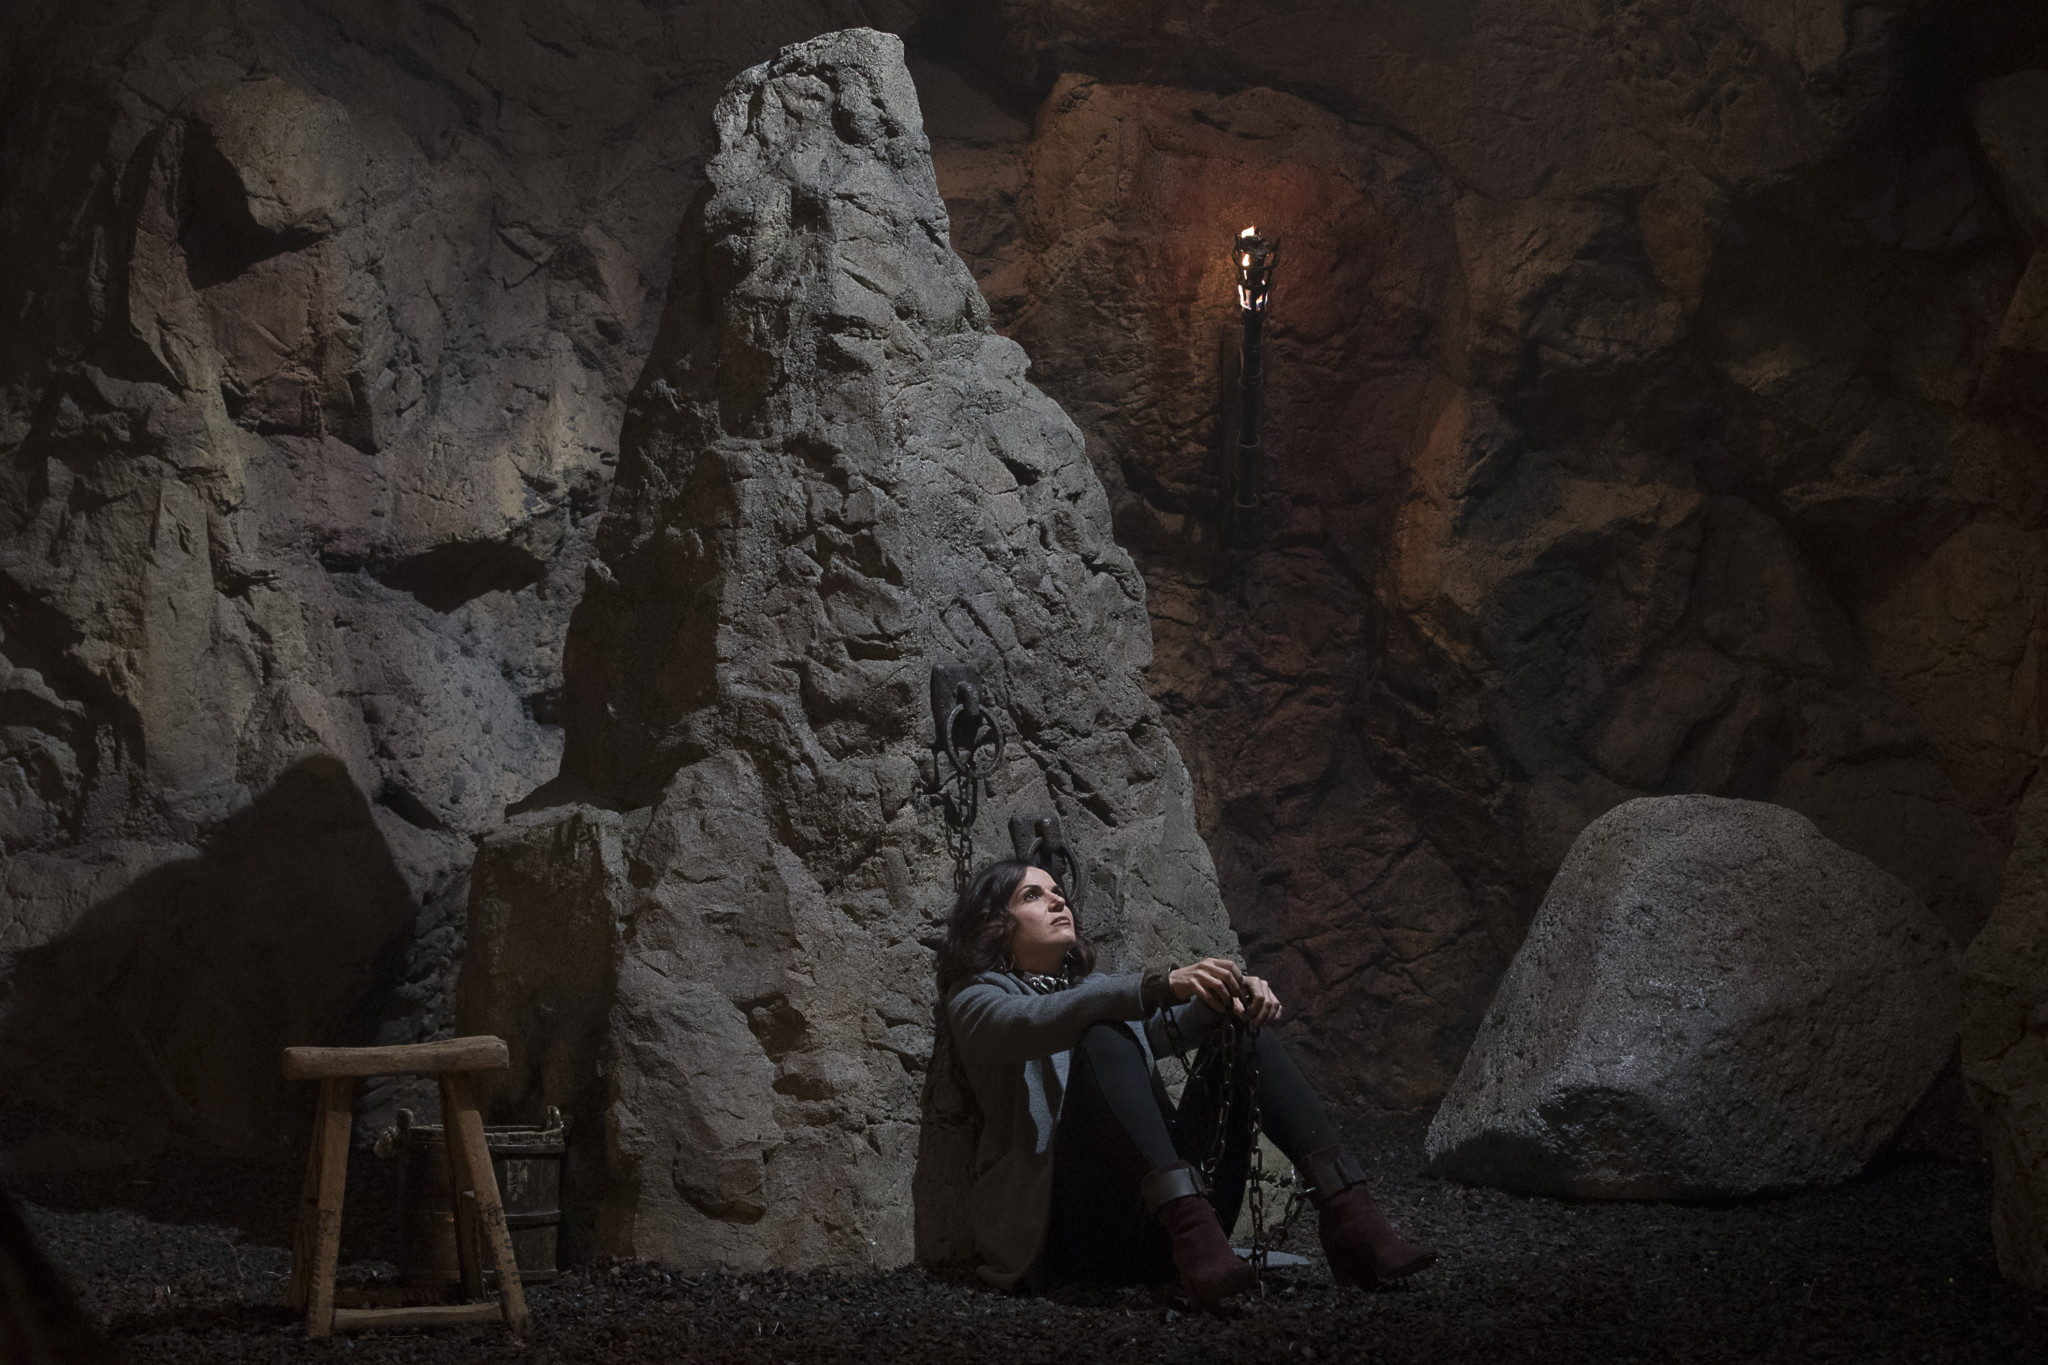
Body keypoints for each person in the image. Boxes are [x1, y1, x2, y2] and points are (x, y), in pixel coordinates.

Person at [937, 859, 1437, 1306]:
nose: (1057, 900)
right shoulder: (974, 1000)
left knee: (1236, 1029)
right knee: (1104, 1032)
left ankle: (1351, 1216)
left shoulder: (1094, 991)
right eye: (1032, 895)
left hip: (1178, 1237)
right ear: (995, 925)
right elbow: (1034, 1020)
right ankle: (1191, 1226)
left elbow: (1163, 1028)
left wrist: (1228, 997)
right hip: (1075, 1239)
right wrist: (1159, 984)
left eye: (1057, 891)